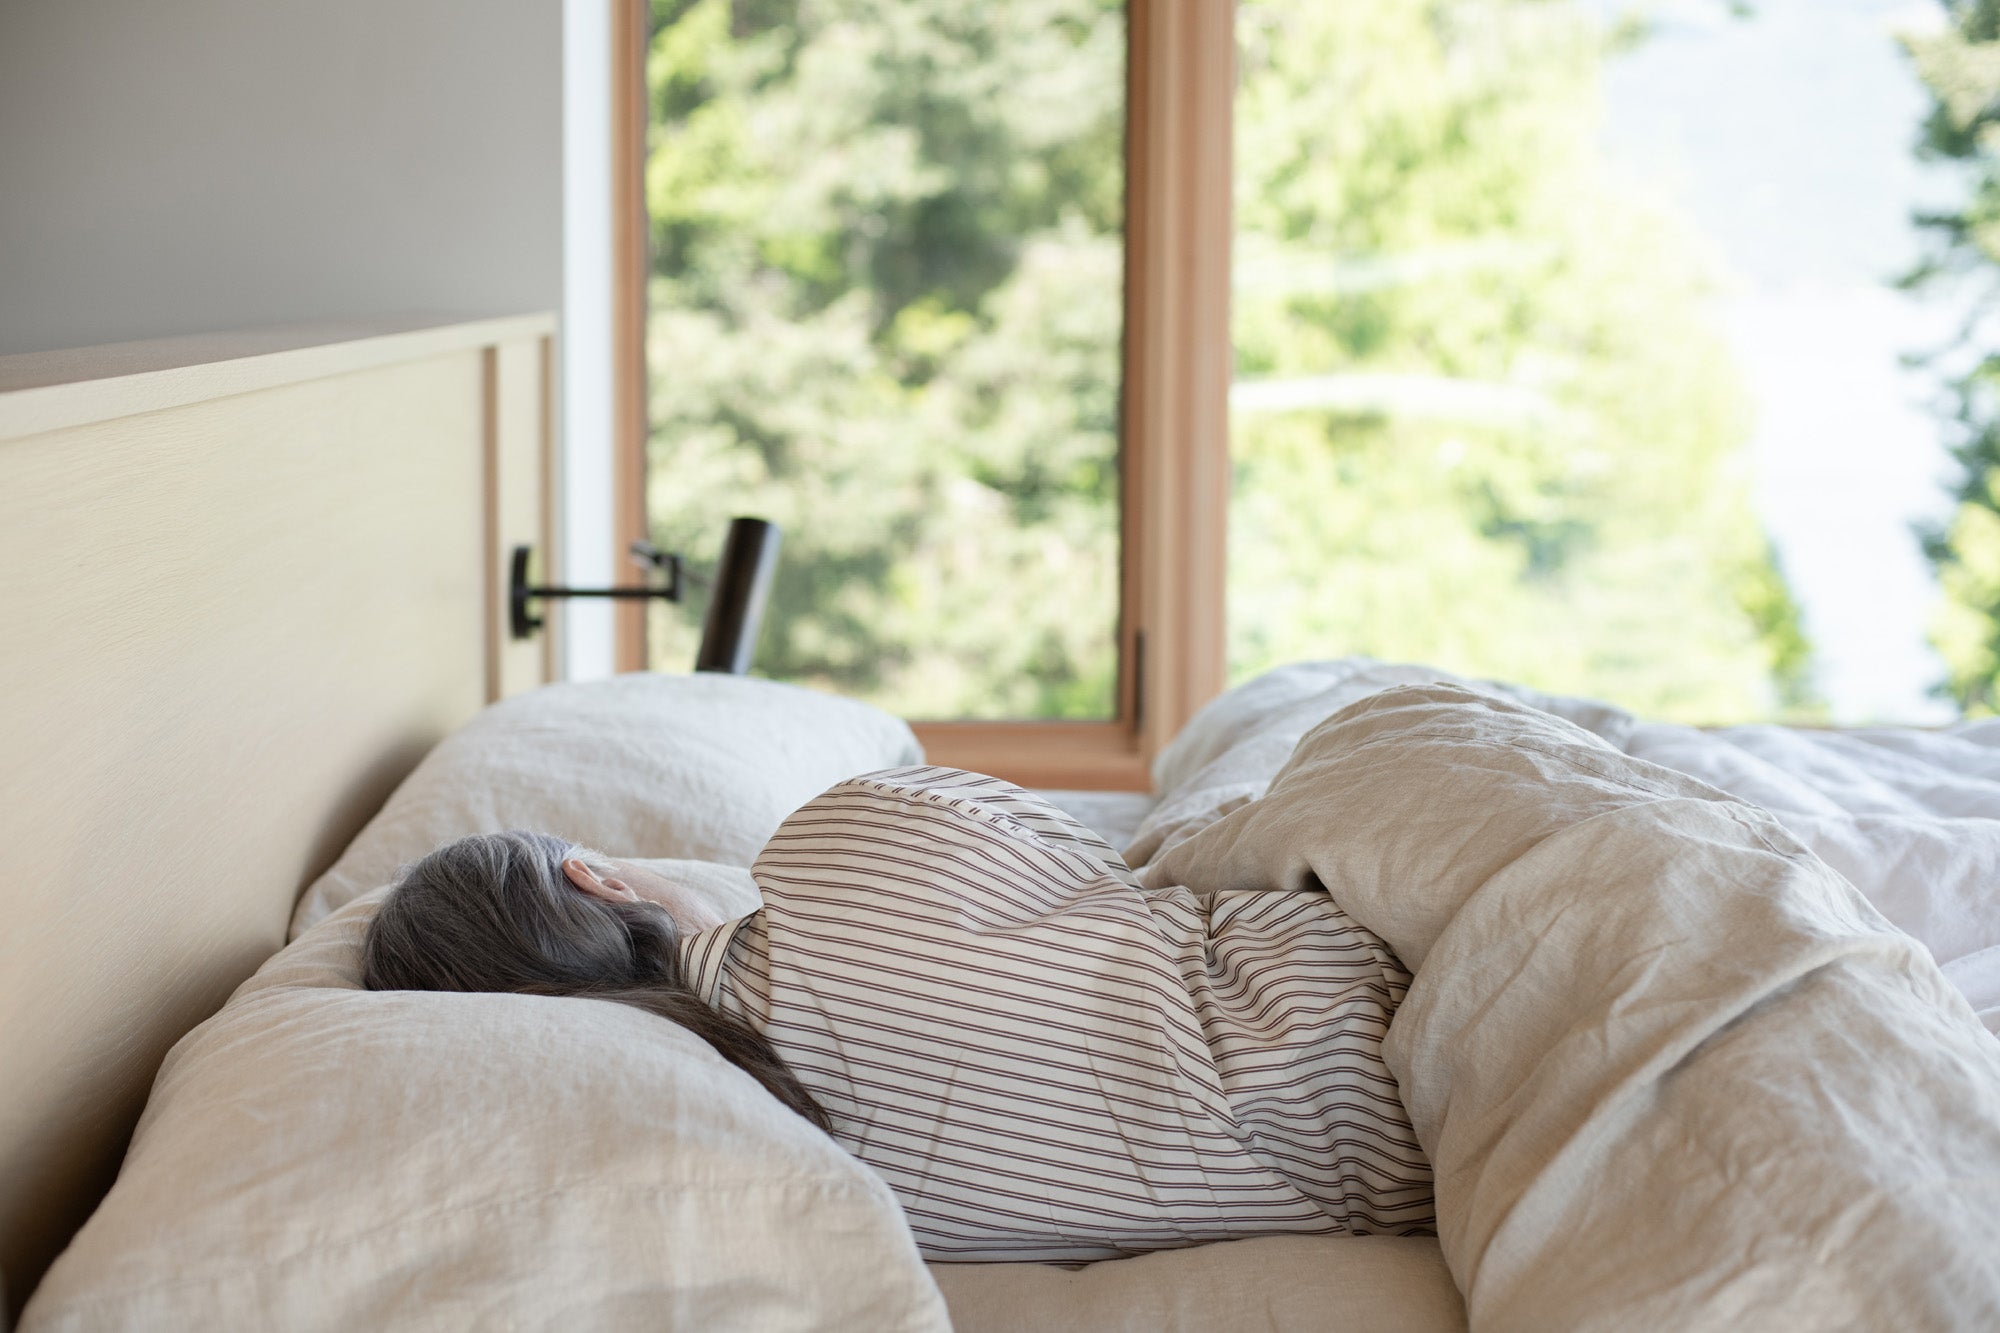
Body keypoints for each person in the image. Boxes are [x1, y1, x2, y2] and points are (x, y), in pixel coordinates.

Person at [362, 765, 1434, 1262]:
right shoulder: (848, 838)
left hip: (1387, 1194)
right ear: (594, 879)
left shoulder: (736, 1165)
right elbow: (1122, 881)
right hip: (1392, 990)